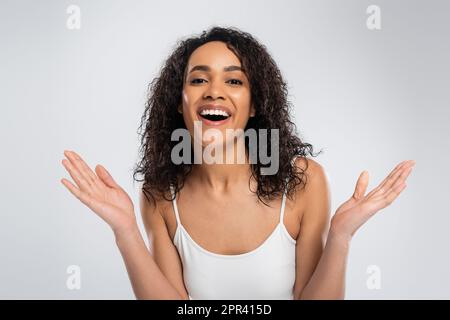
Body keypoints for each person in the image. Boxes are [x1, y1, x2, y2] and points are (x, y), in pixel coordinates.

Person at [60, 26, 415, 300]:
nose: (214, 90)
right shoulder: (159, 194)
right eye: (198, 79)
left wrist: (341, 236)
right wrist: (125, 230)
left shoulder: (304, 180)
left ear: (255, 104)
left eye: (233, 80)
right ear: (180, 103)